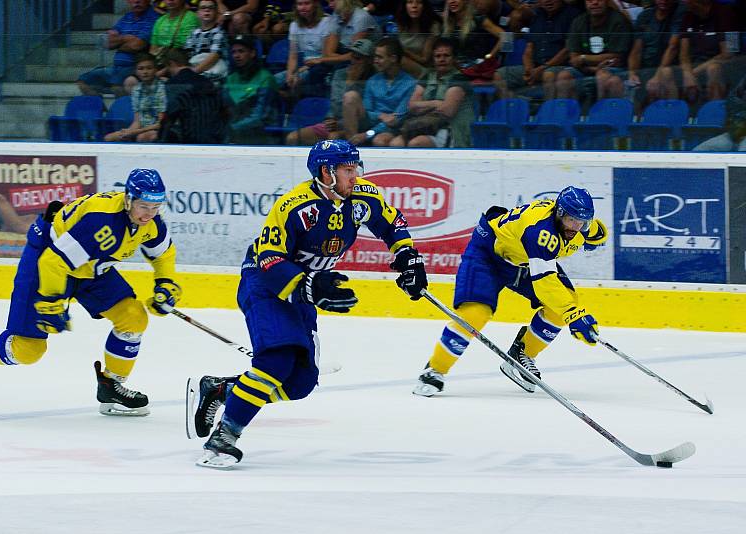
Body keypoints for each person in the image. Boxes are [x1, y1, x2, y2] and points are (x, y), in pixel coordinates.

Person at [185, 140, 429, 468]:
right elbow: (269, 258)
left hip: (303, 290)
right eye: (347, 170)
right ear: (326, 173)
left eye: (356, 168)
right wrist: (310, 285)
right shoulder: (296, 206)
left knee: (300, 382)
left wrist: (408, 257)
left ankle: (222, 391)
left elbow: (391, 223)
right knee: (275, 365)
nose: (355, 175)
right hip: (266, 286)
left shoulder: (363, 197)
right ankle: (223, 437)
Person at [0, 169, 182, 417]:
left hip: (89, 266)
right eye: (144, 206)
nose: (150, 214)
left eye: (156, 206)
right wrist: (52, 301)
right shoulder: (102, 223)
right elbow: (53, 263)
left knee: (134, 317)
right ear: (128, 199)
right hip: (47, 260)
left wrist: (165, 283)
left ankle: (111, 386)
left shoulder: (151, 223)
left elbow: (163, 253)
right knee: (29, 350)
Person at [412, 186, 608, 397]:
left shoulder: (580, 225)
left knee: (562, 303)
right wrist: (573, 313)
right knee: (475, 314)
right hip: (488, 255)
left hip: (523, 261)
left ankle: (522, 354)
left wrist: (594, 234)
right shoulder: (540, 230)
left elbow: (599, 233)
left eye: (582, 222)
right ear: (559, 213)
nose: (575, 227)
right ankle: (434, 370)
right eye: (571, 220)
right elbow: (545, 283)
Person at [285, 38, 375, 145]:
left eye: (358, 58)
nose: (353, 61)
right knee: (292, 138)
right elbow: (335, 106)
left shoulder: (375, 79)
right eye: (352, 56)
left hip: (360, 127)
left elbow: (365, 113)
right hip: (336, 124)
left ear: (369, 61)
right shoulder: (340, 74)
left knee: (333, 137)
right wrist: (330, 119)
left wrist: (351, 84)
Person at [389, 37, 473, 147]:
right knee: (396, 143)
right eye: (438, 56)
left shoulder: (459, 78)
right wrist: (436, 103)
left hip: (451, 130)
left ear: (454, 58)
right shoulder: (428, 76)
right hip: (424, 126)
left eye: (446, 56)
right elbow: (411, 106)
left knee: (416, 143)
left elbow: (447, 111)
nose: (442, 59)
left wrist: (423, 106)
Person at [493, 0, 581, 100]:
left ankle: (549, 111)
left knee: (548, 75)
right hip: (536, 67)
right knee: (500, 75)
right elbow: (529, 47)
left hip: (559, 67)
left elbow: (568, 50)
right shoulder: (537, 14)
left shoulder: (573, 15)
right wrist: (528, 69)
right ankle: (520, 109)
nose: (548, 1)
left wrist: (543, 67)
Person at [342, 37, 417, 146]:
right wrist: (380, 115)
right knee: (350, 96)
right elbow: (367, 110)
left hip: (391, 129)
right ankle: (351, 147)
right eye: (375, 57)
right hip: (370, 123)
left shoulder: (410, 84)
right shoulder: (373, 80)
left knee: (380, 140)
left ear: (393, 58)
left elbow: (395, 121)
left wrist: (367, 134)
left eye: (379, 57)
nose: (375, 61)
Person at [77, 0, 160, 96]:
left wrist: (119, 41)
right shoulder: (126, 17)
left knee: (116, 85)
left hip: (134, 67)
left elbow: (137, 45)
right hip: (116, 68)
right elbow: (107, 42)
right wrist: (127, 38)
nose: (137, 1)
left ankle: (124, 109)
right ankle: (103, 109)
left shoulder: (153, 17)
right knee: (83, 82)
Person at [557, 0, 633, 102]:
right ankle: (567, 115)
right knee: (564, 76)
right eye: (590, 0)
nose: (595, 2)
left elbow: (616, 57)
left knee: (602, 76)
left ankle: (599, 114)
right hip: (586, 68)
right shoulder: (578, 21)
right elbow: (574, 58)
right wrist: (592, 67)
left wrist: (583, 58)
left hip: (614, 69)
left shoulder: (619, 21)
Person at [160, 48, 227, 143]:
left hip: (190, 138)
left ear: (172, 63)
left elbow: (170, 117)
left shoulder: (173, 84)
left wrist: (161, 139)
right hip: (215, 136)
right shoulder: (206, 81)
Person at [223, 34, 279, 144]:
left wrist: (231, 128)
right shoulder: (230, 79)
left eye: (241, 51)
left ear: (252, 53)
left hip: (260, 136)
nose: (236, 55)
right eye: (234, 52)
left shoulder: (265, 78)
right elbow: (223, 108)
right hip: (233, 133)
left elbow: (260, 116)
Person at [104, 53, 167, 142]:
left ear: (155, 69)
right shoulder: (136, 90)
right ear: (136, 71)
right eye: (141, 69)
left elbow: (160, 124)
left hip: (158, 130)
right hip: (139, 130)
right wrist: (128, 132)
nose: (145, 72)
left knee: (142, 137)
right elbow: (137, 121)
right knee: (109, 138)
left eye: (149, 68)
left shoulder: (161, 88)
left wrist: (135, 132)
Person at [396, 0, 443, 78]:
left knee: (400, 60)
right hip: (403, 67)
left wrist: (404, 51)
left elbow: (424, 59)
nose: (414, 6)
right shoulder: (401, 23)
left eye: (419, 2)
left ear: (425, 6)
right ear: (405, 6)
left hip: (425, 71)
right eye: (410, 2)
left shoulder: (433, 26)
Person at [184, 0, 230, 83]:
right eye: (203, 8)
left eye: (211, 8)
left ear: (216, 13)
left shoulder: (219, 33)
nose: (207, 10)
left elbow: (213, 57)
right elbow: (187, 54)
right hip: (195, 75)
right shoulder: (193, 33)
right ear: (197, 13)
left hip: (214, 78)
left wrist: (191, 73)